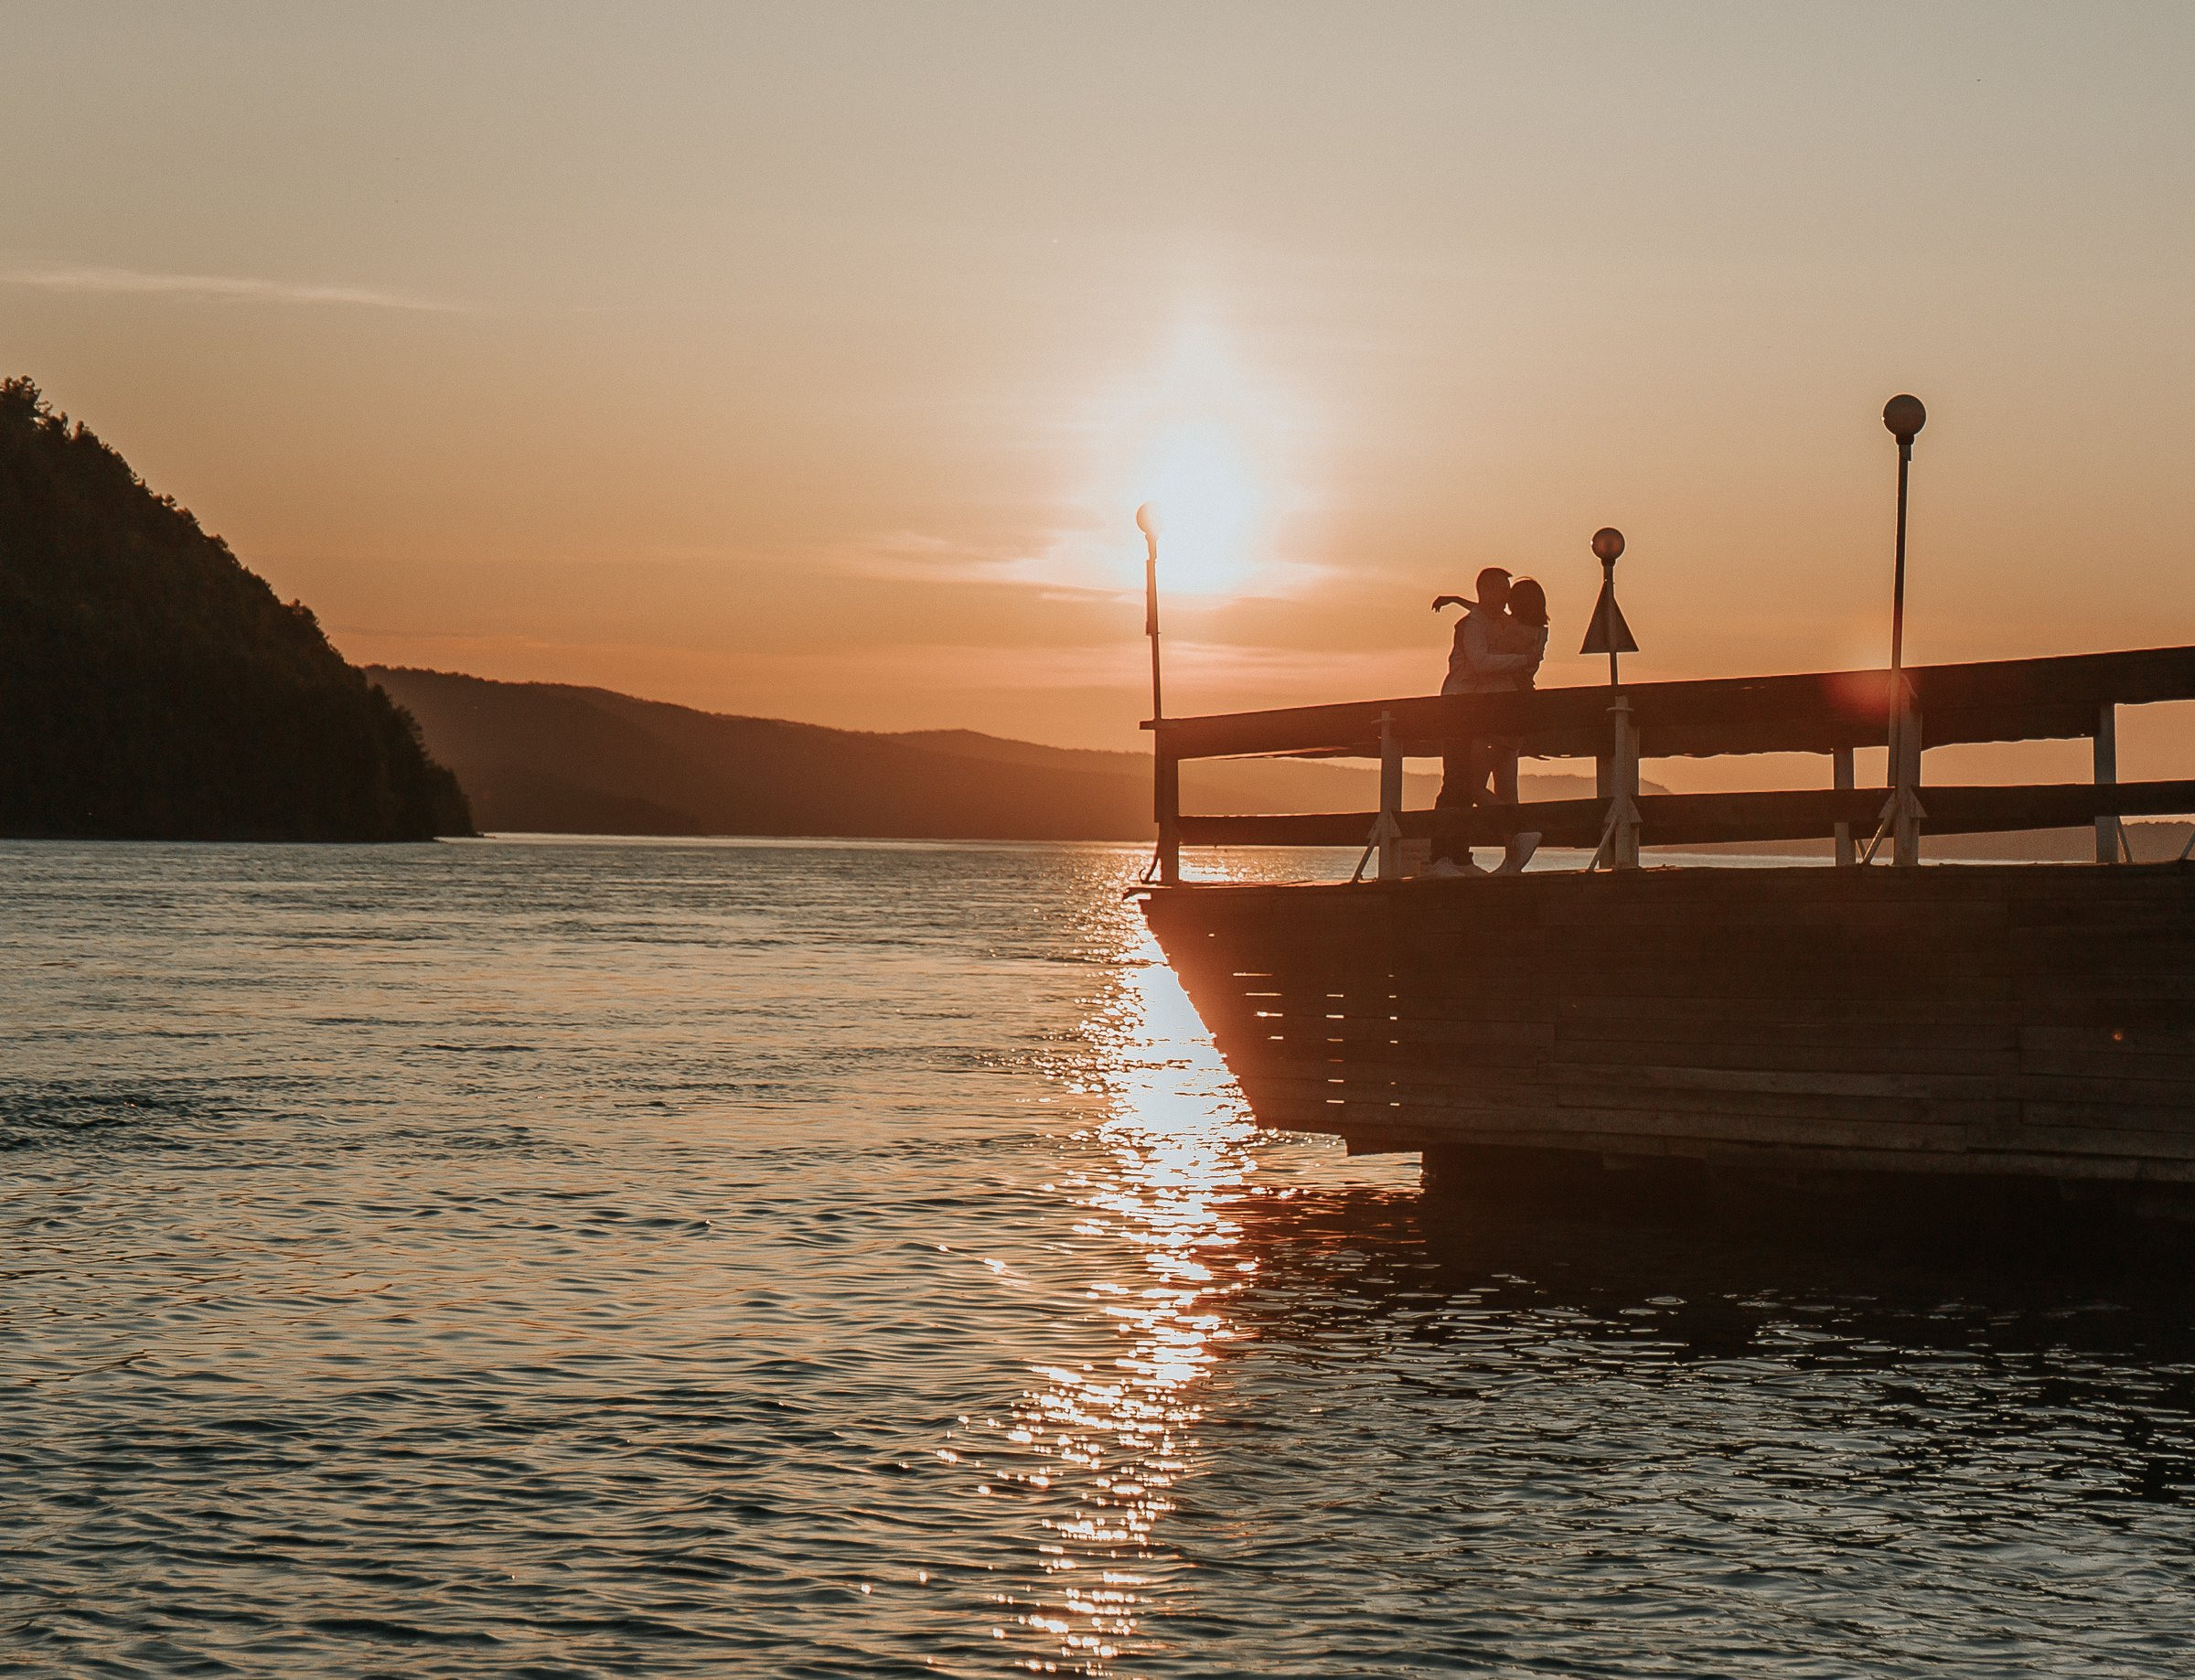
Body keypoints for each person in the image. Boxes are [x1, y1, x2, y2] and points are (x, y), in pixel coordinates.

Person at [1429, 567, 1540, 875]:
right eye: (1502, 591)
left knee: (1464, 784)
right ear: (1487, 591)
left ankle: (1458, 858)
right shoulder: (1472, 626)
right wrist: (1522, 663)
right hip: (1456, 707)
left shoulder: (1493, 621)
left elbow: (1483, 612)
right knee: (1455, 782)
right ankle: (1442, 859)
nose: (1507, 598)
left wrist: (1454, 598)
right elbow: (1478, 663)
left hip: (1476, 711)